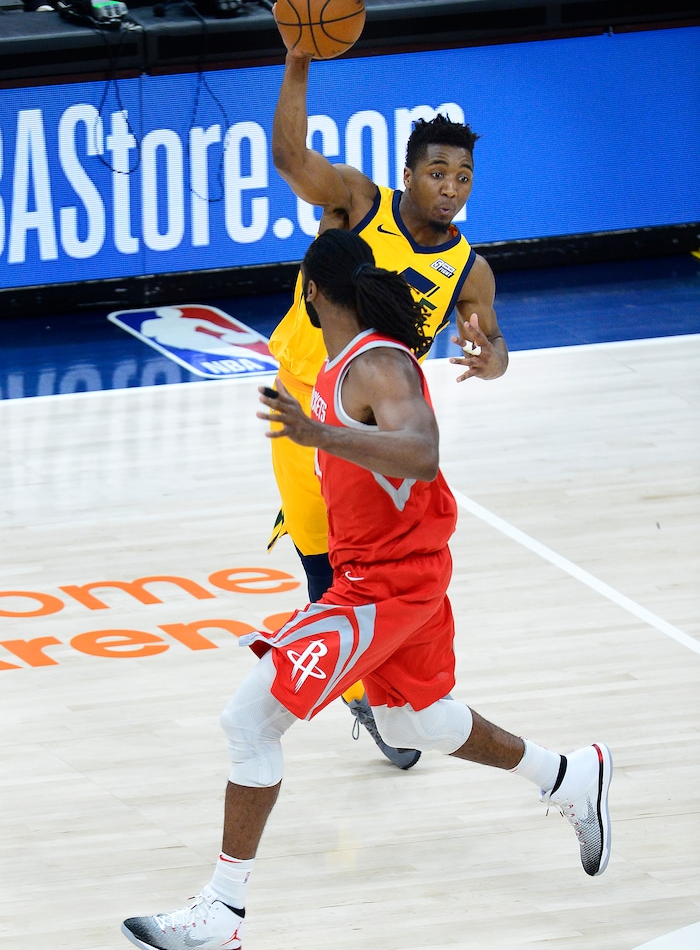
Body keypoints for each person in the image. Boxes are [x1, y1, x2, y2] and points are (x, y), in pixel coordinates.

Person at [120, 229, 613, 950]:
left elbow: (422, 452)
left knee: (249, 721)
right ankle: (569, 775)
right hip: (396, 576)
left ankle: (221, 913)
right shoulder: (346, 364)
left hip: (383, 585)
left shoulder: (377, 363)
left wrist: (320, 436)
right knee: (419, 723)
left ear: (311, 290)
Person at [267, 44, 509, 767]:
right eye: (438, 172)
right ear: (408, 174)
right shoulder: (356, 202)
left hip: (380, 430)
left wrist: (487, 359)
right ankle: (361, 691)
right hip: (304, 405)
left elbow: (496, 350)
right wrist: (299, 61)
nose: (451, 187)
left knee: (372, 571)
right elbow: (288, 157)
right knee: (324, 566)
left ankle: (380, 691)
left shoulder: (469, 269)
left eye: (463, 177)